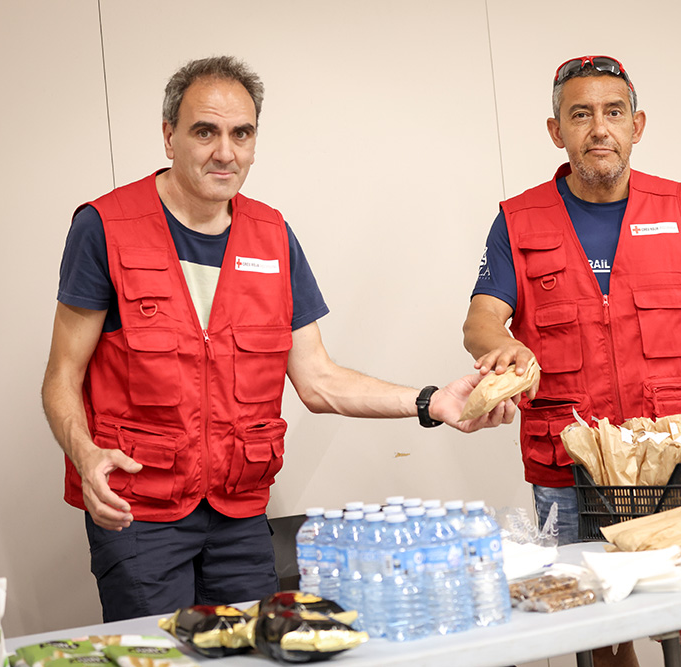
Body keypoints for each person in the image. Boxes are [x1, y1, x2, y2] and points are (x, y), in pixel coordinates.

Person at [42, 55, 515, 623]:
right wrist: (85, 453)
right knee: (163, 657)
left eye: (241, 134)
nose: (225, 152)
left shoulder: (271, 236)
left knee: (257, 652)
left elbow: (318, 380)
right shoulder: (105, 228)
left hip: (239, 516)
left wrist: (432, 401)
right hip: (139, 513)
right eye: (205, 132)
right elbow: (62, 376)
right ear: (169, 137)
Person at [463, 55, 681, 667]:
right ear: (557, 131)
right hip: (569, 464)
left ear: (636, 125)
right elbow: (481, 320)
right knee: (601, 630)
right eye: (581, 115)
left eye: (613, 112)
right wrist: (503, 343)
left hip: (677, 457)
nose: (599, 128)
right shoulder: (518, 220)